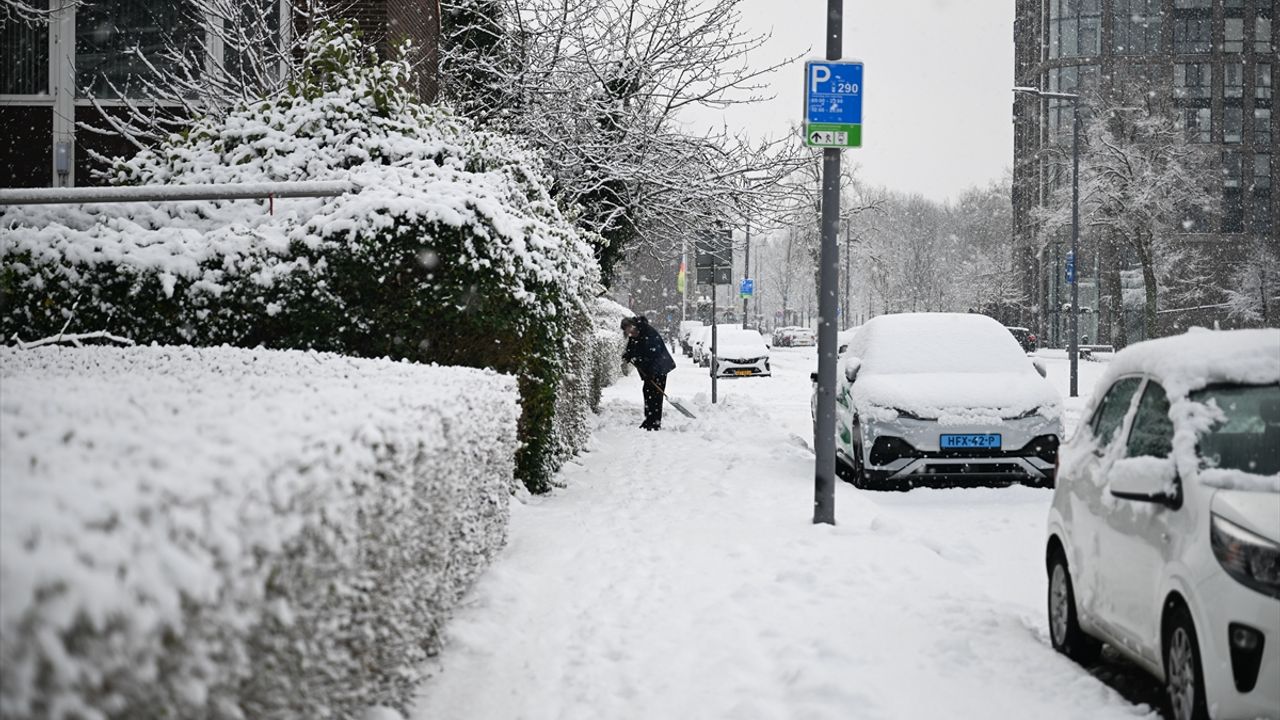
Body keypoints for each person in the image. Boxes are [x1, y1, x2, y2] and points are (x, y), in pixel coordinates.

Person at [621, 315, 676, 430]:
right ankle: (649, 419)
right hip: (650, 370)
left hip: (660, 368)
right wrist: (628, 354)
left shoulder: (648, 333)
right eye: (627, 333)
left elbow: (654, 354)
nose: (630, 334)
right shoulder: (635, 333)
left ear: (633, 326)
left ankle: (655, 422)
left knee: (656, 394)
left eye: (629, 331)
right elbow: (632, 347)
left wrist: (652, 372)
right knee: (647, 392)